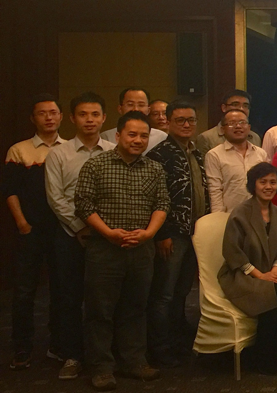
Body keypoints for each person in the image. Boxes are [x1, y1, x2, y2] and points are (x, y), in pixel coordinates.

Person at [75, 111, 170, 390]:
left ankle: (134, 362)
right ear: (117, 135)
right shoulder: (97, 165)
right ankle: (102, 367)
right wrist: (108, 233)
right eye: (132, 134)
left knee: (136, 308)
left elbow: (162, 204)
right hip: (104, 249)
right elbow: (83, 204)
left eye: (143, 135)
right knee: (100, 310)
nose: (138, 140)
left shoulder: (154, 168)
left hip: (141, 249)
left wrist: (149, 234)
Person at [45, 92, 117, 379]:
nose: (90, 120)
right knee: (69, 296)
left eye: (95, 114)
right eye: (84, 115)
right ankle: (72, 355)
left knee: (106, 298)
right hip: (68, 235)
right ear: (72, 118)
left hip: (107, 235)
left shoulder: (114, 150)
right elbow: (55, 198)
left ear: (104, 118)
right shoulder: (58, 154)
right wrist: (80, 227)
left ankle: (107, 355)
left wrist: (101, 229)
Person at [218, 162, 277, 375]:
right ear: (253, 185)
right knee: (272, 292)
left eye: (273, 182)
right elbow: (232, 252)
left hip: (270, 272)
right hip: (242, 273)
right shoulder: (240, 213)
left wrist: (274, 271)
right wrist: (260, 275)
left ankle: (276, 349)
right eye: (263, 182)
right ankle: (262, 355)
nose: (268, 186)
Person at [144, 100, 210, 369]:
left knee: (183, 291)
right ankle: (159, 348)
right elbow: (154, 199)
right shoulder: (160, 154)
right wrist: (161, 234)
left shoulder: (196, 152)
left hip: (195, 234)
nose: (186, 125)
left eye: (191, 120)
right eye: (180, 120)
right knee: (164, 293)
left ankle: (178, 340)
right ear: (168, 122)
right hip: (171, 235)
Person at [4, 94, 66, 374]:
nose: (48, 117)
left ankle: (59, 344)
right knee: (25, 292)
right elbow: (11, 191)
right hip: (30, 230)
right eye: (42, 113)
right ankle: (22, 346)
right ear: (33, 118)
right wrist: (22, 224)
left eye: (53, 112)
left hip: (63, 230)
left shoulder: (69, 149)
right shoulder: (19, 150)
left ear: (62, 116)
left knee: (63, 289)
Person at [205, 109, 269, 213]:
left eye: (242, 122)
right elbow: (215, 191)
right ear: (222, 129)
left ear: (249, 128)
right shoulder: (214, 155)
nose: (238, 126)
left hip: (258, 214)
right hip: (229, 217)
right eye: (232, 123)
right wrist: (217, 217)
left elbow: (266, 186)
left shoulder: (261, 154)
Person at [99, 87, 168, 153]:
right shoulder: (106, 136)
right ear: (120, 109)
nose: (135, 109)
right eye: (130, 104)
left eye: (141, 105)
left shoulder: (161, 137)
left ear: (148, 110)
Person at [195, 89, 262, 155]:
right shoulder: (207, 138)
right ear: (224, 108)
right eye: (235, 104)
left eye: (245, 106)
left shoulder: (255, 137)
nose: (241, 109)